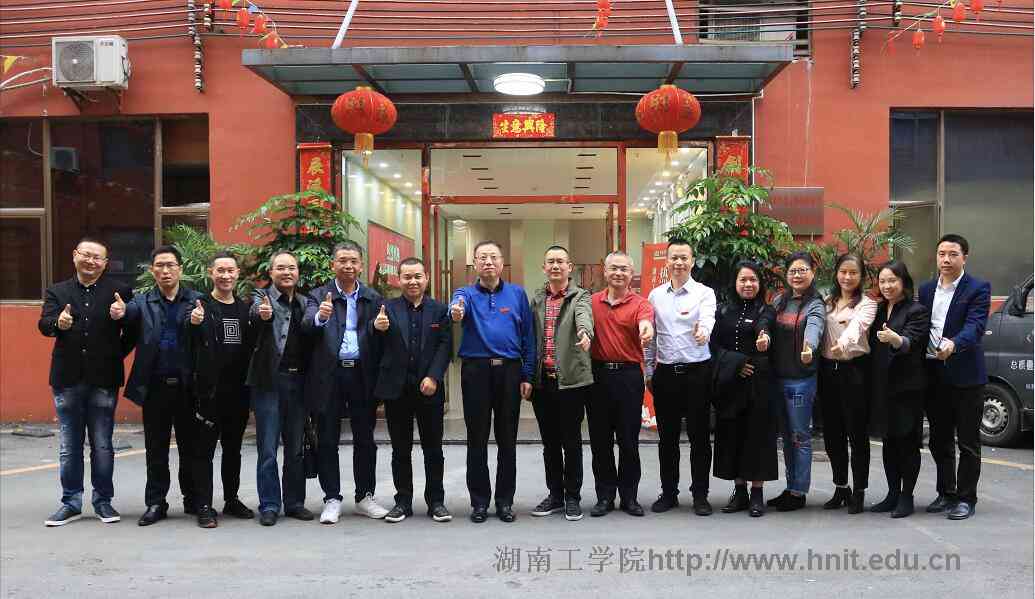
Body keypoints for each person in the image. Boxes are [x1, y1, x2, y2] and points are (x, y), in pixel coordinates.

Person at [38, 237, 133, 527]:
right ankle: (71, 502)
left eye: (97, 257)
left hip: (104, 378)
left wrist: (122, 320)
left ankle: (103, 501)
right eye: (86, 255)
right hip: (67, 378)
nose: (91, 261)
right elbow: (44, 324)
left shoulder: (120, 291)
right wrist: (58, 324)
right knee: (69, 445)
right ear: (75, 255)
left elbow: (133, 330)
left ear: (105, 263)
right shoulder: (57, 291)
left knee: (102, 444)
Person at [451, 240, 536, 524]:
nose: (488, 262)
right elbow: (456, 307)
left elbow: (528, 337)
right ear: (475, 264)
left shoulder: (517, 294)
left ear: (502, 263)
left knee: (507, 439)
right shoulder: (465, 293)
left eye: (493, 257)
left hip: (509, 372)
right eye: (482, 257)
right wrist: (456, 311)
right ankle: (479, 502)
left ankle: (504, 502)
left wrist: (527, 374)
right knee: (476, 438)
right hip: (475, 372)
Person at [304, 241, 389, 524]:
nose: (348, 266)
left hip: (362, 375)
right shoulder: (318, 295)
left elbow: (382, 338)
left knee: (365, 438)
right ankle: (332, 498)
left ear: (361, 265)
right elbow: (307, 324)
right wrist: (320, 317)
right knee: (328, 438)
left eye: (353, 261)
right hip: (329, 374)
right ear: (333, 264)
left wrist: (379, 329)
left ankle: (365, 496)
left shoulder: (373, 297)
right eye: (342, 260)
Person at [123, 245, 203, 526]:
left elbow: (207, 341)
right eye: (160, 265)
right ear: (152, 270)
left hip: (188, 387)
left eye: (170, 265)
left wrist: (199, 323)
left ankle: (193, 499)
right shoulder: (141, 302)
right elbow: (126, 321)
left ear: (180, 269)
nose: (165, 271)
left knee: (190, 448)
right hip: (154, 387)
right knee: (156, 450)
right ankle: (156, 502)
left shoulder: (197, 301)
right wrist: (119, 313)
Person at [369, 257, 452, 523]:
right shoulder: (386, 308)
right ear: (399, 279)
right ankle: (402, 501)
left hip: (430, 388)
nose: (413, 281)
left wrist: (434, 377)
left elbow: (445, 346)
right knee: (400, 450)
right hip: (397, 390)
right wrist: (377, 329)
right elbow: (375, 347)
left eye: (417, 276)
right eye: (407, 277)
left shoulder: (440, 310)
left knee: (433, 449)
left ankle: (436, 502)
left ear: (426, 278)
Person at [919, 234, 991, 520]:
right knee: (939, 439)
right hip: (934, 374)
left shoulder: (978, 288)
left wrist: (954, 344)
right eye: (942, 254)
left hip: (966, 376)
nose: (946, 260)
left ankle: (966, 498)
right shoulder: (926, 290)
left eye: (952, 254)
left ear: (964, 257)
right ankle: (946, 492)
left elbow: (975, 326)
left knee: (968, 442)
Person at [644, 239, 717, 516]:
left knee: (700, 438)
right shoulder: (655, 296)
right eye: (674, 257)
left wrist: (703, 332)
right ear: (667, 261)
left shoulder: (704, 293)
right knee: (668, 439)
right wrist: (648, 371)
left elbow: (708, 319)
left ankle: (700, 495)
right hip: (666, 375)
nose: (679, 262)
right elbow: (650, 339)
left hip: (698, 373)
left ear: (692, 261)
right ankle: (669, 493)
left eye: (684, 257)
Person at [184, 251, 256, 528]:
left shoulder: (245, 309)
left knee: (233, 450)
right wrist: (193, 323)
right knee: (203, 452)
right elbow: (188, 339)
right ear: (211, 273)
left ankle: (231, 498)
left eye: (230, 271)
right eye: (220, 271)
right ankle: (203, 504)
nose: (226, 276)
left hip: (238, 393)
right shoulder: (200, 306)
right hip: (208, 393)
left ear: (237, 274)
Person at [246, 250, 317, 526]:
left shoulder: (305, 302)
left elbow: (314, 326)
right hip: (270, 382)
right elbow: (256, 312)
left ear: (298, 272)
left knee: (296, 448)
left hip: (299, 383)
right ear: (271, 272)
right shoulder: (261, 297)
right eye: (281, 268)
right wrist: (262, 314)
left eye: (291, 268)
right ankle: (269, 505)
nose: (287, 272)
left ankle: (294, 502)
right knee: (267, 448)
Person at [528, 246, 595, 522]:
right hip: (543, 383)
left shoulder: (580, 296)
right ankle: (555, 494)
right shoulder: (536, 300)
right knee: (550, 443)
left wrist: (585, 333)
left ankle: (572, 497)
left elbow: (584, 317)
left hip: (570, 383)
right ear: (544, 267)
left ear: (570, 267)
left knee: (572, 441)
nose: (555, 266)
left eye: (560, 262)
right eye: (551, 262)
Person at [587, 251, 654, 518]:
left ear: (631, 273)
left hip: (629, 377)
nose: (618, 273)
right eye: (613, 268)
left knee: (628, 441)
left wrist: (646, 329)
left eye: (624, 269)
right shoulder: (591, 302)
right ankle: (604, 496)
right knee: (600, 441)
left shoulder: (641, 304)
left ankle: (629, 497)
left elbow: (645, 322)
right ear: (605, 271)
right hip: (598, 377)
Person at [710, 261, 778, 518]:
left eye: (753, 280)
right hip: (730, 382)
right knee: (732, 436)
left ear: (760, 284)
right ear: (735, 283)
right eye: (743, 280)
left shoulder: (766, 309)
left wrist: (764, 338)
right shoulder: (723, 311)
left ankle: (757, 493)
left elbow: (765, 326)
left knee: (757, 437)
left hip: (758, 384)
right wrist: (736, 364)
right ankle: (739, 492)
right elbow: (713, 345)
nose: (748, 284)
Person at [868, 261, 931, 518]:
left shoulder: (917, 310)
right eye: (882, 281)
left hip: (907, 389)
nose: (887, 286)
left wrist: (896, 339)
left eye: (892, 280)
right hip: (882, 387)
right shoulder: (878, 309)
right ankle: (892, 493)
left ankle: (907, 496)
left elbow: (911, 341)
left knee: (907, 443)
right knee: (888, 442)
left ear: (903, 282)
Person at [818, 254, 877, 514]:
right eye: (843, 271)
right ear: (836, 273)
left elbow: (857, 327)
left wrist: (843, 342)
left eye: (853, 273)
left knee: (857, 433)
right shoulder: (826, 302)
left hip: (855, 371)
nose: (847, 277)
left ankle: (860, 490)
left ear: (861, 276)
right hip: (827, 371)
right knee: (833, 434)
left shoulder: (867, 304)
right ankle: (841, 487)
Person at [767, 251, 825, 512]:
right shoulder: (780, 300)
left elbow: (815, 326)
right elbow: (767, 323)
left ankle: (799, 491)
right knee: (786, 437)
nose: (797, 275)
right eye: (793, 271)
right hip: (777, 378)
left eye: (803, 270)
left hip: (801, 381)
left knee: (800, 436)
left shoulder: (815, 304)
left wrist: (809, 346)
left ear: (812, 273)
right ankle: (791, 488)